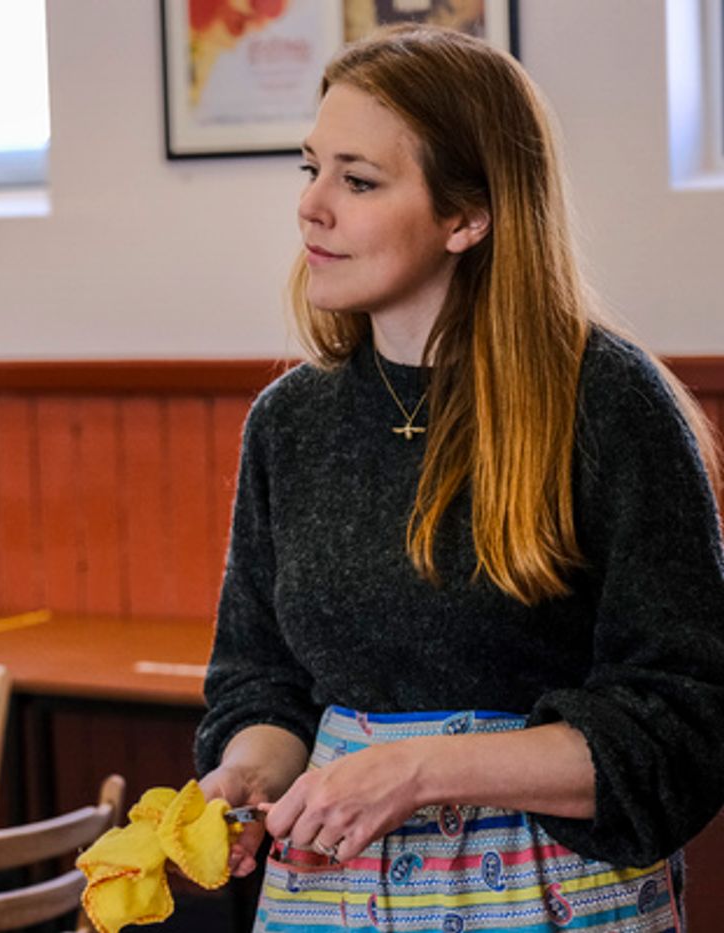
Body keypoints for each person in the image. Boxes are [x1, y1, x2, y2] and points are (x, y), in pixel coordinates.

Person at [197, 25, 724, 931]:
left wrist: (425, 769)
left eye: (357, 181)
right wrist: (252, 767)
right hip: (330, 891)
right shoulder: (288, 424)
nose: (311, 207)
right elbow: (263, 679)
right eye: (310, 168)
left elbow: (685, 720)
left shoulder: (612, 405)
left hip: (553, 894)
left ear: (466, 218)